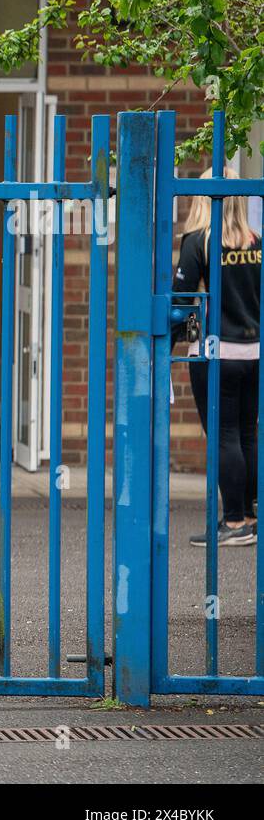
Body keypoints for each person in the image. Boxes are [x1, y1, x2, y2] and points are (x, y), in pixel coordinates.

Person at [173, 167, 261, 547]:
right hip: (253, 352)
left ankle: (235, 521)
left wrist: (169, 338)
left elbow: (181, 300)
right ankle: (252, 516)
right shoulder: (257, 242)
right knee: (246, 433)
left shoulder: (198, 242)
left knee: (224, 436)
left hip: (217, 353)